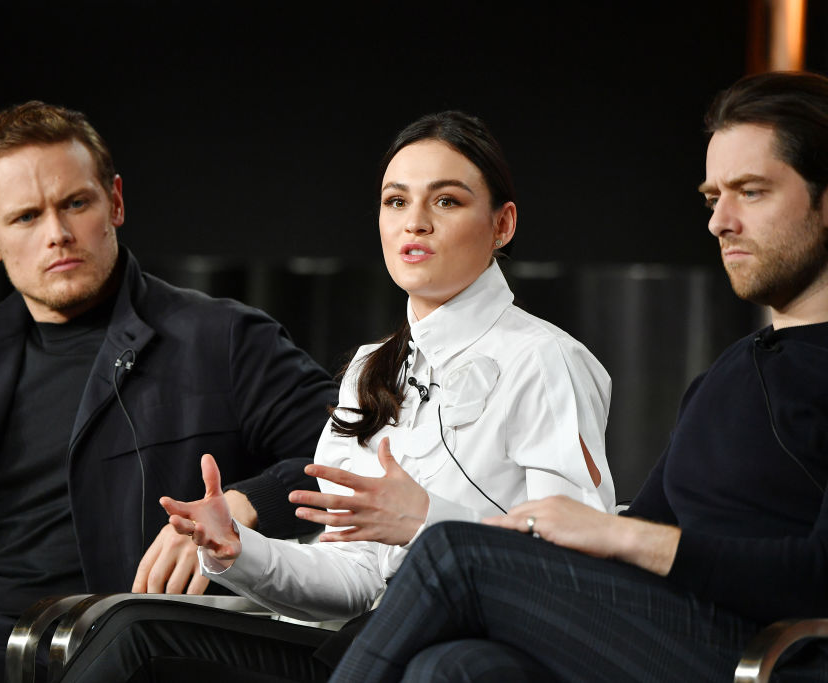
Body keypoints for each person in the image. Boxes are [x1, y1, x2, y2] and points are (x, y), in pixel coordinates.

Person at [57, 111, 615, 682]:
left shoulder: (547, 360)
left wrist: (427, 519)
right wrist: (237, 549)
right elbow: (353, 576)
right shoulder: (373, 369)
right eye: (396, 202)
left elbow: (578, 568)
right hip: (365, 641)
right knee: (134, 634)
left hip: (467, 652)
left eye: (446, 201)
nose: (415, 223)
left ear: (503, 225)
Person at [0, 102, 338, 682]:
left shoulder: (221, 337)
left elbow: (346, 452)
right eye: (26, 217)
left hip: (84, 647)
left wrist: (241, 507)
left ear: (115, 201)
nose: (56, 235)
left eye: (75, 204)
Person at [330, 70, 828, 683]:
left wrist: (617, 536)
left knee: (451, 553)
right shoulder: (728, 375)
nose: (718, 222)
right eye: (711, 198)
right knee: (458, 666)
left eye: (750, 192)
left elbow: (817, 572)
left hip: (776, 656)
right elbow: (642, 534)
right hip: (670, 634)